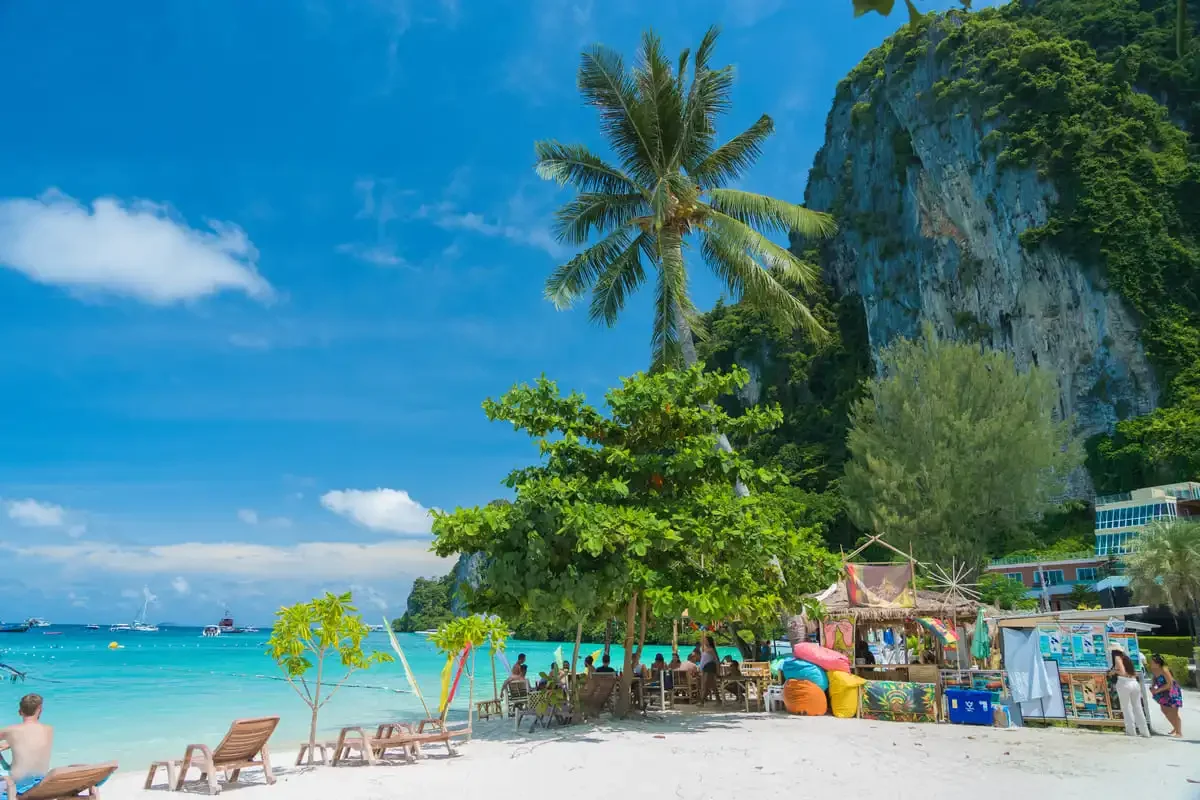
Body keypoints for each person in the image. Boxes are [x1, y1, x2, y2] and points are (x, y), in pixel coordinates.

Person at [0, 694, 53, 796]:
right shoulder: (48, 730)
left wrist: (10, 743)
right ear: (40, 710)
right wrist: (11, 743)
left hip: (20, 785)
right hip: (40, 781)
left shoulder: (11, 731)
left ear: (20, 712)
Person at [1109, 650, 1150, 738]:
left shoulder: (1117, 658)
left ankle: (1131, 731)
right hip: (1134, 682)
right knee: (1137, 707)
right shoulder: (1127, 658)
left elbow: (1122, 672)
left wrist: (1114, 671)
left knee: (1126, 708)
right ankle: (1145, 732)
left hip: (1124, 683)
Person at [1149, 654, 1183, 737]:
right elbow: (1154, 679)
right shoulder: (1154, 669)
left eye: (1152, 661)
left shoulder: (1164, 670)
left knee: (1174, 712)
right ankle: (1175, 727)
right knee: (1164, 710)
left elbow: (1170, 684)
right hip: (1163, 691)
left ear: (1158, 663)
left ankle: (1179, 732)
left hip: (1172, 691)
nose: (1150, 663)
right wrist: (1152, 686)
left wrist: (1157, 690)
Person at [698, 636, 719, 705]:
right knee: (713, 685)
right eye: (703, 640)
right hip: (704, 668)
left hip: (710, 667)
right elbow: (703, 660)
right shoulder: (703, 649)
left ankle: (702, 701)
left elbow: (717, 660)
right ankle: (718, 700)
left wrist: (718, 671)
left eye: (705, 640)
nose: (704, 641)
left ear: (709, 641)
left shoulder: (711, 649)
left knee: (705, 685)